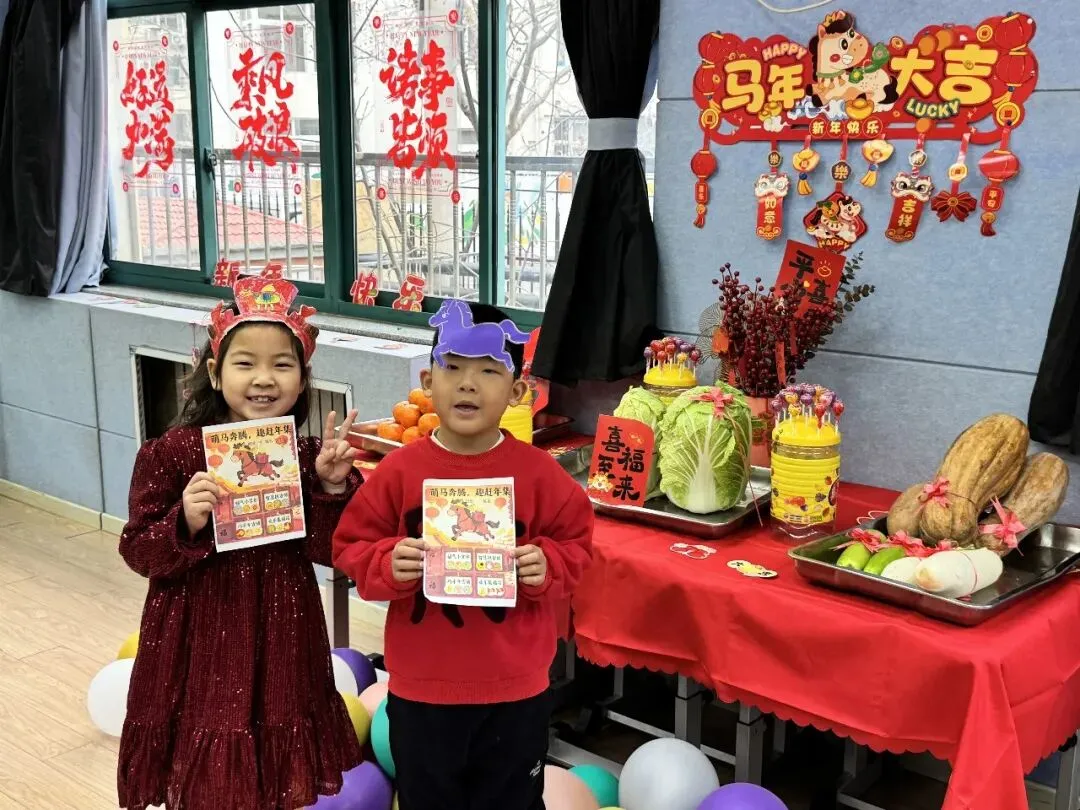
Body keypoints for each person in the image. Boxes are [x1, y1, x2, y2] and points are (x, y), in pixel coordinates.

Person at [117, 267, 363, 810]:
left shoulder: (306, 455)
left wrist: (330, 486)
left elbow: (335, 552)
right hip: (198, 634)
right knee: (207, 759)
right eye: (245, 363)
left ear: (303, 377)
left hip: (283, 630)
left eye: (282, 365)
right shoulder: (172, 454)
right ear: (214, 371)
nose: (264, 379)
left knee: (273, 764)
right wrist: (185, 519)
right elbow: (137, 549)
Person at [333, 300, 594, 810]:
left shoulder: (541, 474)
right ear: (428, 381)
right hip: (423, 689)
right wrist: (387, 562)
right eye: (453, 368)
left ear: (518, 392)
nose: (468, 384)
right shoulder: (399, 471)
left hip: (515, 690)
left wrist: (548, 564)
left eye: (489, 371)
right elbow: (351, 545)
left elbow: (578, 545)